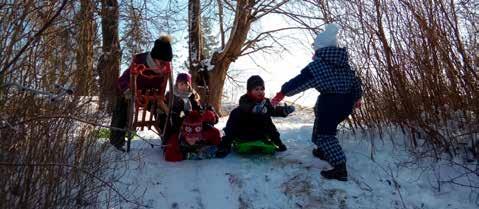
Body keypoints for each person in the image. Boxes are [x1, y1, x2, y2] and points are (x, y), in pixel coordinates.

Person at [270, 23, 363, 181]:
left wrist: (283, 92)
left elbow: (300, 81)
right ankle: (322, 151)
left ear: (321, 48)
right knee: (323, 123)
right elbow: (356, 82)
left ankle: (340, 168)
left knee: (325, 135)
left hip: (331, 103)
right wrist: (357, 97)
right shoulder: (344, 65)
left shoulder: (319, 66)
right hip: (345, 103)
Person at [110, 35, 173, 152]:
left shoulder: (165, 69)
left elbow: (162, 87)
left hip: (152, 96)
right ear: (154, 58)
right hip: (133, 93)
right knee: (123, 104)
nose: (164, 65)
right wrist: (127, 89)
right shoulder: (139, 61)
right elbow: (123, 79)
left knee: (164, 108)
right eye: (162, 62)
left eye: (167, 62)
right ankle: (117, 141)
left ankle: (169, 139)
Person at [216, 75, 295, 158]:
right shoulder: (244, 100)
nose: (260, 91)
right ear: (249, 91)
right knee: (235, 113)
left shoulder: (266, 102)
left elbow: (273, 110)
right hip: (243, 133)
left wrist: (283, 111)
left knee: (267, 120)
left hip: (259, 133)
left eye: (262, 89)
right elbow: (244, 106)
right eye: (256, 89)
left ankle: (278, 143)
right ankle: (225, 146)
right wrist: (253, 108)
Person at [161, 72, 202, 146]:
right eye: (181, 84)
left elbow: (197, 108)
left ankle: (195, 139)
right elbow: (165, 107)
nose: (184, 86)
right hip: (174, 118)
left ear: (189, 85)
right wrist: (178, 112)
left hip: (190, 121)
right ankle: (169, 141)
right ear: (177, 84)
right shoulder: (170, 94)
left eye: (186, 84)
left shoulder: (192, 95)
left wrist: (199, 110)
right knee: (167, 120)